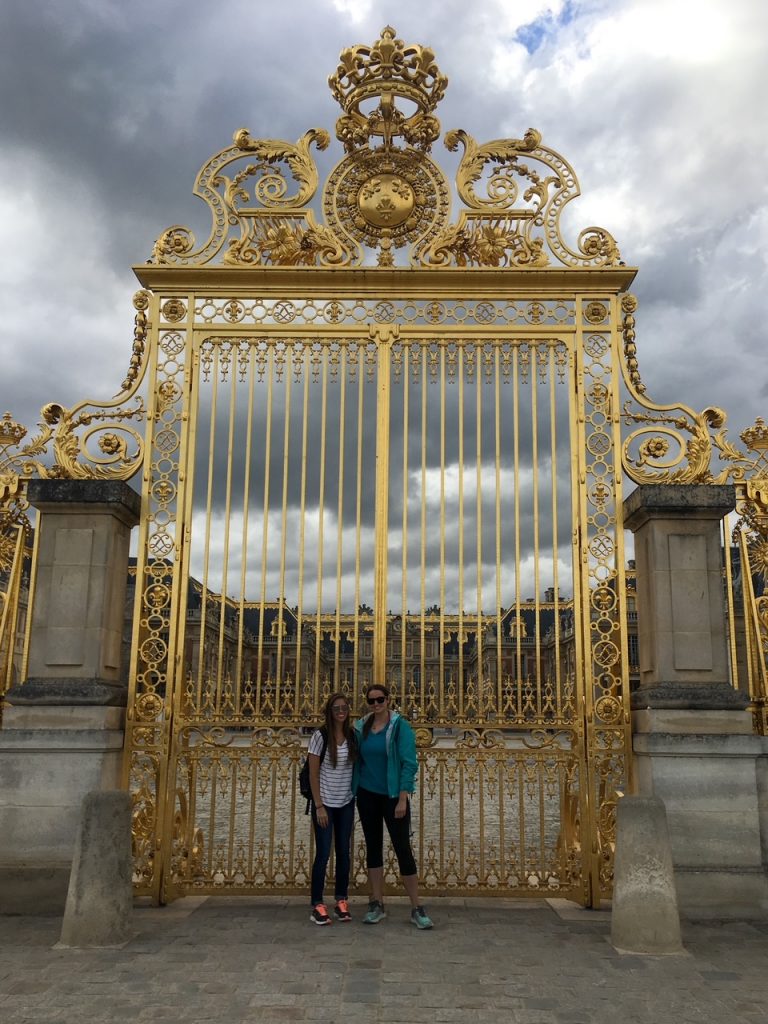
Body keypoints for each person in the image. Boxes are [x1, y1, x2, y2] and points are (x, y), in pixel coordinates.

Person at [353, 683, 433, 929]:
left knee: (403, 850)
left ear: (388, 700)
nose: (376, 704)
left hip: (392, 797)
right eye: (372, 700)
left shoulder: (400, 726)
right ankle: (376, 902)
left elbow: (409, 763)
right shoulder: (360, 727)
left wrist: (402, 797)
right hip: (367, 795)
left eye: (380, 699)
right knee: (373, 848)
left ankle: (416, 906)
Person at [307, 692, 357, 925]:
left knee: (344, 853)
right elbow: (313, 772)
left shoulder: (352, 735)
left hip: (346, 802)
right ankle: (317, 903)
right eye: (336, 708)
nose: (341, 711)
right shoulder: (320, 735)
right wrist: (318, 805)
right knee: (324, 853)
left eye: (344, 707)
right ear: (330, 710)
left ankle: (341, 900)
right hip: (325, 803)